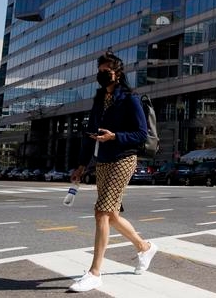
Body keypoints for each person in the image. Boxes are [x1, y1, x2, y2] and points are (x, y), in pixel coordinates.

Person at [68, 51, 158, 293]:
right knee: (112, 214)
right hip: (103, 160)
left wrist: (115, 136)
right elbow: (90, 133)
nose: (101, 73)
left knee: (101, 213)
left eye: (105, 69)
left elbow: (141, 134)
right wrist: (81, 164)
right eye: (99, 70)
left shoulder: (130, 99)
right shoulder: (99, 100)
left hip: (124, 158)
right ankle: (144, 247)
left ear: (117, 72)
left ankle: (95, 272)